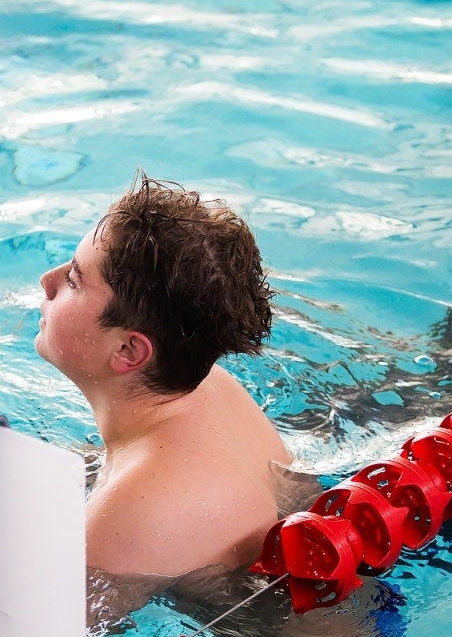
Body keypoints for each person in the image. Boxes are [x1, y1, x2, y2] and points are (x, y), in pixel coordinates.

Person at [35, 172, 294, 577]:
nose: (48, 279)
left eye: (73, 280)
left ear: (128, 350)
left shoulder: (119, 520)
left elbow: (45, 619)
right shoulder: (211, 385)